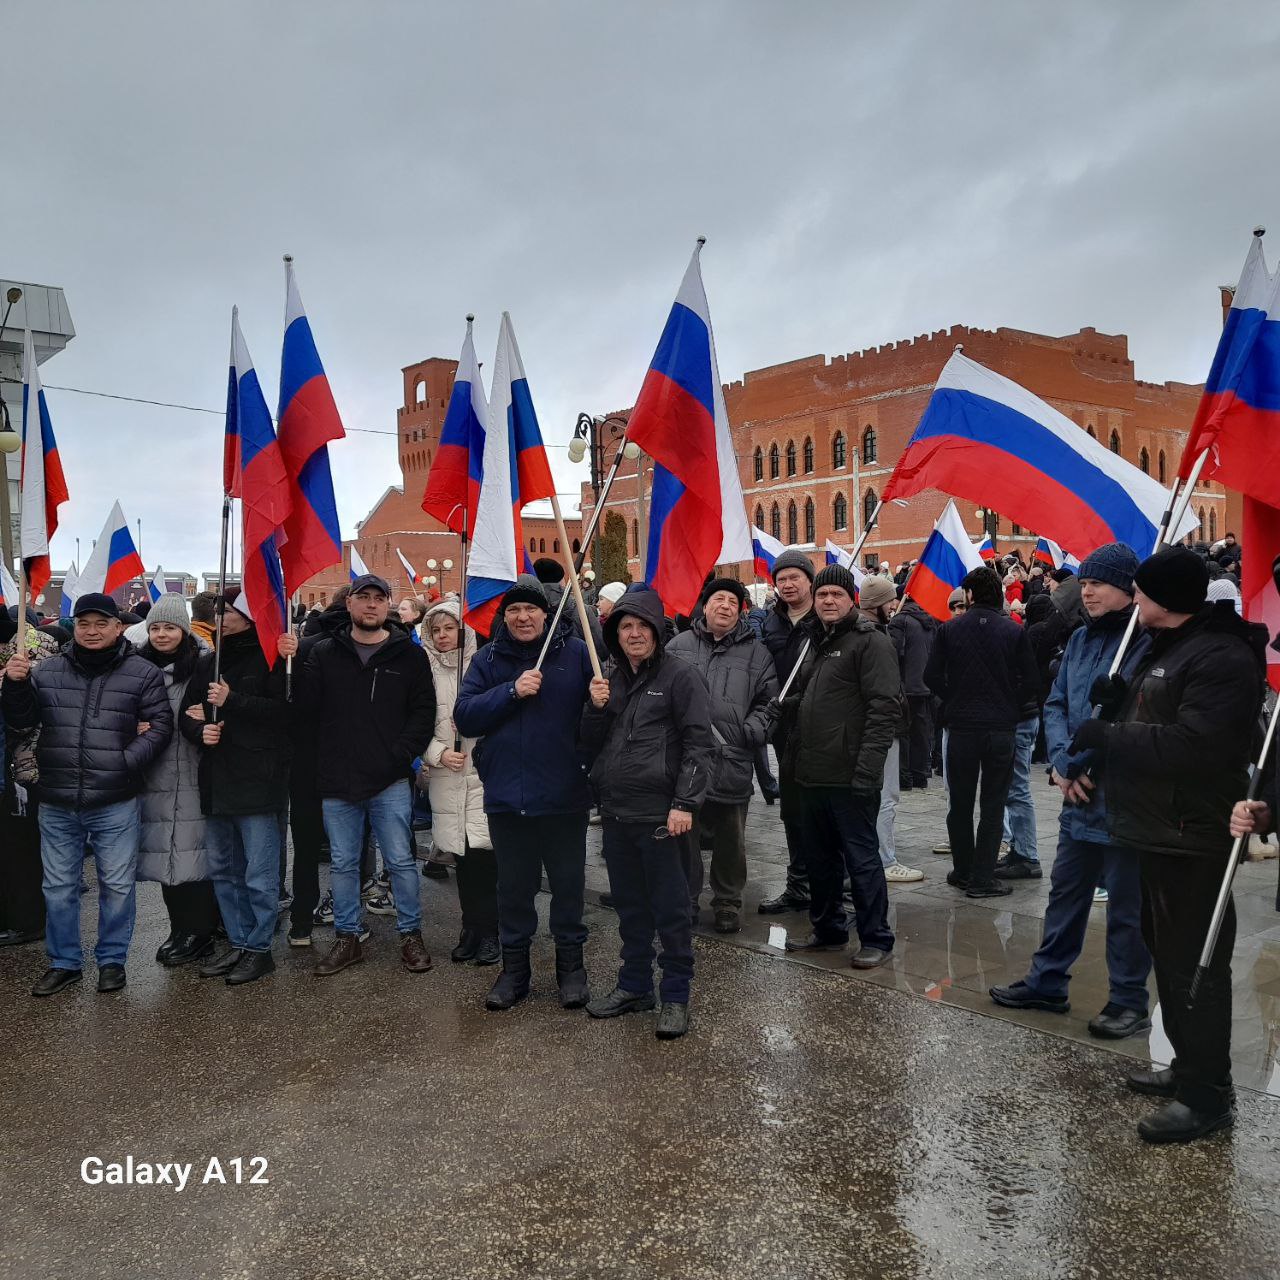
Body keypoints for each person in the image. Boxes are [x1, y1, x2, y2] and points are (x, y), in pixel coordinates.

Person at [1072, 545, 1266, 1144]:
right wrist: (1118, 704)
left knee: (1196, 967)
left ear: (1165, 600)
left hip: (1194, 830)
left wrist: (1112, 734)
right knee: (1170, 956)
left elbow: (1195, 746)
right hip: (1156, 827)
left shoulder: (1221, 657)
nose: (1137, 599)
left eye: (1144, 591)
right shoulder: (1170, 647)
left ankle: (1208, 1096)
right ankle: (1188, 1070)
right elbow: (1154, 719)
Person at [990, 543, 1154, 1038]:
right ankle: (1047, 981)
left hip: (1122, 797)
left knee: (1127, 907)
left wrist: (1084, 765)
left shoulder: (1146, 643)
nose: (1087, 590)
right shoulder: (1081, 639)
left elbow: (1136, 719)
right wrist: (1063, 765)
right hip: (1076, 795)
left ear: (1127, 589)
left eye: (1098, 583)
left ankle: (1128, 1000)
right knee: (1065, 895)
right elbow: (1057, 702)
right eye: (1084, 583)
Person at [2, 593, 173, 996]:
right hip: (58, 799)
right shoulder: (48, 670)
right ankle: (64, 962)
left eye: (101, 623)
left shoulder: (142, 672)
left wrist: (124, 762)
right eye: (83, 623)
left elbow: (160, 726)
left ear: (117, 627)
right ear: (73, 627)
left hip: (115, 800)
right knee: (58, 888)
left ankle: (112, 961)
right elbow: (22, 721)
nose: (91, 631)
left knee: (116, 885)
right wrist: (14, 686)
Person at [281, 574, 435, 977]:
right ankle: (347, 937)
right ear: (349, 604)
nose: (370, 605)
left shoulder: (408, 655)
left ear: (388, 605)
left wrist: (400, 756)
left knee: (401, 861)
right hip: (338, 779)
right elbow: (305, 712)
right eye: (362, 598)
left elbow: (422, 713)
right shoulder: (324, 653)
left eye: (378, 598)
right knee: (345, 863)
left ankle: (410, 934)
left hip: (389, 779)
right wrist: (291, 665)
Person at [454, 576, 595, 1012]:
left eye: (531, 609)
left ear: (545, 614)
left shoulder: (576, 653)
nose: (522, 617)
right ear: (504, 616)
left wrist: (601, 701)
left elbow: (600, 717)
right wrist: (511, 691)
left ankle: (570, 969)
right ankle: (514, 972)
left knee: (569, 888)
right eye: (514, 610)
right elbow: (465, 716)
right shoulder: (489, 658)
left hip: (564, 797)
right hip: (507, 799)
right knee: (513, 890)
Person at [582, 587, 713, 1039]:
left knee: (672, 911)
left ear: (657, 630)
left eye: (641, 626)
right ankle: (634, 985)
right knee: (631, 908)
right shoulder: (610, 677)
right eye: (625, 627)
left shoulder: (681, 677)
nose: (633, 634)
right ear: (614, 634)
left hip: (663, 817)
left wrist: (684, 802)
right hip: (618, 814)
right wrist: (594, 709)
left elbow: (701, 744)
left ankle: (675, 995)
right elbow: (591, 744)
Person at [781, 565, 900, 969]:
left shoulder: (869, 642)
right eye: (822, 595)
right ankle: (829, 928)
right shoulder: (817, 640)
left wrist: (867, 772)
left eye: (836, 594)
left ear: (852, 599)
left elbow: (884, 709)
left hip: (849, 775)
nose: (828, 601)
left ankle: (876, 937)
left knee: (862, 860)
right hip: (812, 771)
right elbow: (808, 698)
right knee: (820, 859)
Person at [181, 594, 291, 986]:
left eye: (229, 611)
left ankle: (260, 949)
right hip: (216, 778)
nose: (220, 617)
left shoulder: (273, 658)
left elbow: (285, 714)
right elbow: (187, 713)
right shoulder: (208, 661)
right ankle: (240, 941)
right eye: (218, 612)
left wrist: (233, 701)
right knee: (224, 872)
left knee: (259, 873)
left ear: (249, 615)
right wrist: (200, 730)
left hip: (259, 780)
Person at [666, 577, 778, 933]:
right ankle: (684, 897)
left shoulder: (757, 653)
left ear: (741, 609)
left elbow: (769, 701)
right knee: (685, 834)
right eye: (718, 599)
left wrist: (753, 731)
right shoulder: (678, 646)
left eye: (733, 601)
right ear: (705, 605)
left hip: (732, 757)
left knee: (731, 838)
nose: (725, 606)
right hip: (686, 760)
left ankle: (728, 901)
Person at [925, 566, 1039, 898]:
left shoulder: (950, 629)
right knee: (994, 803)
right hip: (1000, 729)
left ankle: (962, 870)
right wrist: (1010, 704)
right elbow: (1032, 680)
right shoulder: (1013, 630)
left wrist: (954, 698)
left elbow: (931, 675)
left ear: (970, 595)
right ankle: (983, 877)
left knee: (959, 802)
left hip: (961, 727)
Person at [135, 595, 220, 968]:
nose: (161, 634)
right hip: (155, 774)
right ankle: (178, 928)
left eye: (169, 627)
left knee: (194, 856)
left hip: (194, 771)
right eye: (155, 627)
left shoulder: (204, 668)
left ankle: (200, 932)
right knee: (165, 860)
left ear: (183, 629)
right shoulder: (137, 668)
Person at [420, 600, 498, 966]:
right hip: (447, 775)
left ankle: (491, 932)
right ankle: (471, 927)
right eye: (436, 630)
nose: (443, 636)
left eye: (449, 628)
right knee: (462, 858)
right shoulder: (424, 671)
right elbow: (414, 721)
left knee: (486, 855)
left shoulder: (483, 666)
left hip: (481, 773)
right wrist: (436, 752)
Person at [0, 608, 62, 948]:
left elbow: (33, 707)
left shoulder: (33, 644)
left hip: (25, 767)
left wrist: (12, 679)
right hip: (12, 764)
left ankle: (28, 920)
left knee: (21, 851)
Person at [758, 550, 816, 914]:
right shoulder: (770, 623)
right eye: (782, 579)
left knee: (820, 810)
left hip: (819, 727)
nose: (788, 584)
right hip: (783, 728)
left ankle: (828, 885)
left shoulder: (825, 618)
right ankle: (798, 884)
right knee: (792, 809)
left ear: (810, 580)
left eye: (795, 577)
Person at [858, 577, 923, 883]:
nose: (895, 605)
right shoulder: (876, 638)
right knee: (886, 796)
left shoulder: (865, 632)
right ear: (876, 604)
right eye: (890, 600)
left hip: (872, 728)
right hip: (882, 729)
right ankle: (885, 859)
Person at [888, 592, 937, 790]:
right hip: (924, 685)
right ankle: (921, 775)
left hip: (905, 685)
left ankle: (905, 778)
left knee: (903, 733)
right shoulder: (929, 620)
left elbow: (892, 653)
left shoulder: (900, 621)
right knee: (922, 731)